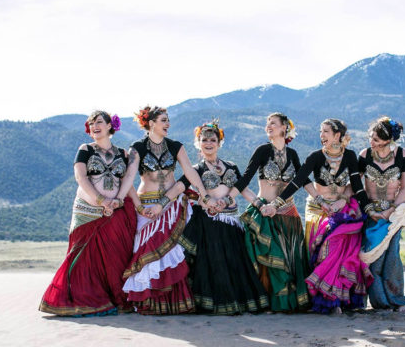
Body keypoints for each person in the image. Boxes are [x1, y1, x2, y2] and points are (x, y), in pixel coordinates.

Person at [158, 120, 270, 315]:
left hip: (230, 223)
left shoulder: (231, 166)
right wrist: (159, 203)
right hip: (208, 224)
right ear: (198, 142)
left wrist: (260, 205)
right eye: (204, 140)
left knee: (235, 264)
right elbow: (179, 187)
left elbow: (243, 189)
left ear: (219, 142)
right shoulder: (196, 169)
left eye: (212, 139)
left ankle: (237, 302)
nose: (208, 143)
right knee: (214, 265)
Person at [115, 106, 217, 315]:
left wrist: (204, 195)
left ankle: (174, 302)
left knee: (172, 252)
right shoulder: (137, 148)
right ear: (151, 123)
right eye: (163, 120)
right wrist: (133, 204)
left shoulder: (176, 146)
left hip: (171, 205)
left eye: (168, 120)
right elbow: (129, 177)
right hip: (147, 206)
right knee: (147, 252)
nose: (168, 124)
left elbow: (190, 172)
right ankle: (148, 302)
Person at [39, 111, 137, 316]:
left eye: (99, 122)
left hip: (115, 209)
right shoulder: (85, 149)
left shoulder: (122, 153)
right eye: (91, 123)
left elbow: (127, 182)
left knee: (114, 257)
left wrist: (118, 201)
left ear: (110, 126)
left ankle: (113, 298)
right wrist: (101, 201)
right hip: (88, 209)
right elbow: (80, 177)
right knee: (82, 255)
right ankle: (82, 300)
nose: (94, 126)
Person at [270, 118, 372, 314]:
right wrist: (276, 203)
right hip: (318, 209)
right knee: (325, 243)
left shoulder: (350, 157)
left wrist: (367, 209)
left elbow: (357, 187)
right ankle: (323, 297)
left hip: (340, 208)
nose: (321, 136)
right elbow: (297, 182)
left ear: (338, 135)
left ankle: (336, 298)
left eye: (326, 131)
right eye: (321, 132)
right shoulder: (316, 157)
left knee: (343, 242)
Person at [226, 112, 314, 312]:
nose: (268, 126)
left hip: (288, 214)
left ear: (284, 128)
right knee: (268, 260)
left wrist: (319, 199)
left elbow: (303, 180)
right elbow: (246, 178)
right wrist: (228, 198)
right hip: (264, 210)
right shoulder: (262, 151)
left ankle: (289, 304)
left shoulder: (292, 154)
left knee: (290, 259)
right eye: (267, 124)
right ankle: (266, 302)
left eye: (273, 123)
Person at [358, 116, 405, 312]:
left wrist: (391, 209)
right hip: (370, 213)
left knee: (392, 257)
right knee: (372, 258)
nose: (371, 142)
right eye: (370, 137)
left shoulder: (402, 156)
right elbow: (357, 185)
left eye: (375, 139)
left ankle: (396, 300)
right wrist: (369, 209)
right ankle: (379, 302)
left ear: (387, 140)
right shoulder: (365, 155)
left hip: (393, 215)